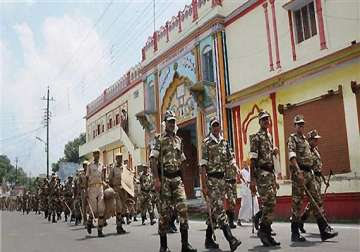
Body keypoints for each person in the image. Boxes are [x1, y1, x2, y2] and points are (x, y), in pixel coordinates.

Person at [150, 110, 196, 252]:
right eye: (169, 121)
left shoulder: (179, 140)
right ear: (165, 123)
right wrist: (156, 180)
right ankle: (163, 247)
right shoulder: (159, 139)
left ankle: (185, 245)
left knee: (183, 209)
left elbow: (182, 162)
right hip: (164, 180)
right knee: (164, 213)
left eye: (173, 121)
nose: (172, 124)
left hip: (176, 180)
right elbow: (152, 160)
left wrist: (184, 180)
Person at [288, 115, 338, 242]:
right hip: (299, 174)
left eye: (302, 124)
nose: (301, 126)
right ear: (294, 126)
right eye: (298, 124)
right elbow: (292, 155)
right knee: (297, 203)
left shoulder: (305, 140)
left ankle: (324, 231)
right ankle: (295, 233)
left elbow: (310, 158)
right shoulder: (292, 138)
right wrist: (298, 171)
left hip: (309, 173)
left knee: (317, 201)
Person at [200, 117, 242, 251]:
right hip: (212, 181)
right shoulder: (206, 143)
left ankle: (208, 239)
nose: (216, 128)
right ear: (211, 128)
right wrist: (204, 185)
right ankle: (231, 239)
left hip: (222, 180)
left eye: (218, 125)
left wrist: (236, 168)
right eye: (214, 126)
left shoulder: (224, 143)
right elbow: (203, 166)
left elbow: (231, 159)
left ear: (220, 127)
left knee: (213, 212)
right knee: (219, 209)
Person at [249, 110, 279, 246]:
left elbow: (268, 156)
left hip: (270, 174)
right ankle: (263, 230)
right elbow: (253, 160)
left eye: (267, 119)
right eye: (263, 119)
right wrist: (253, 180)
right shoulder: (256, 137)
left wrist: (273, 152)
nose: (266, 121)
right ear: (259, 122)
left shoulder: (269, 136)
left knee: (271, 204)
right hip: (261, 174)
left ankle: (266, 232)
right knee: (268, 203)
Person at [299, 129, 331, 233]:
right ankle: (325, 225)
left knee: (314, 203)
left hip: (318, 178)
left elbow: (319, 168)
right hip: (311, 178)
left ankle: (301, 220)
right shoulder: (307, 151)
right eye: (315, 139)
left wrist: (324, 180)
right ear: (310, 140)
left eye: (317, 139)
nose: (317, 141)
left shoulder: (316, 150)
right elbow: (308, 167)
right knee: (317, 202)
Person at [85, 149, 106, 237]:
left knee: (101, 209)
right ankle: (89, 223)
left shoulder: (102, 165)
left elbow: (103, 178)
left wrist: (106, 185)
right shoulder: (90, 166)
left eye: (98, 154)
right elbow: (86, 178)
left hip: (100, 187)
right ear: (93, 155)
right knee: (94, 210)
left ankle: (100, 230)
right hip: (92, 188)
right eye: (95, 154)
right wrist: (86, 191)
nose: (97, 155)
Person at [108, 153, 127, 234]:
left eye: (121, 157)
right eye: (118, 158)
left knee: (123, 208)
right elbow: (109, 180)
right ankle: (118, 226)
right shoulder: (113, 168)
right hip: (116, 190)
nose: (120, 159)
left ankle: (120, 224)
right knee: (118, 208)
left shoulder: (124, 167)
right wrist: (113, 190)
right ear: (116, 158)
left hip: (124, 190)